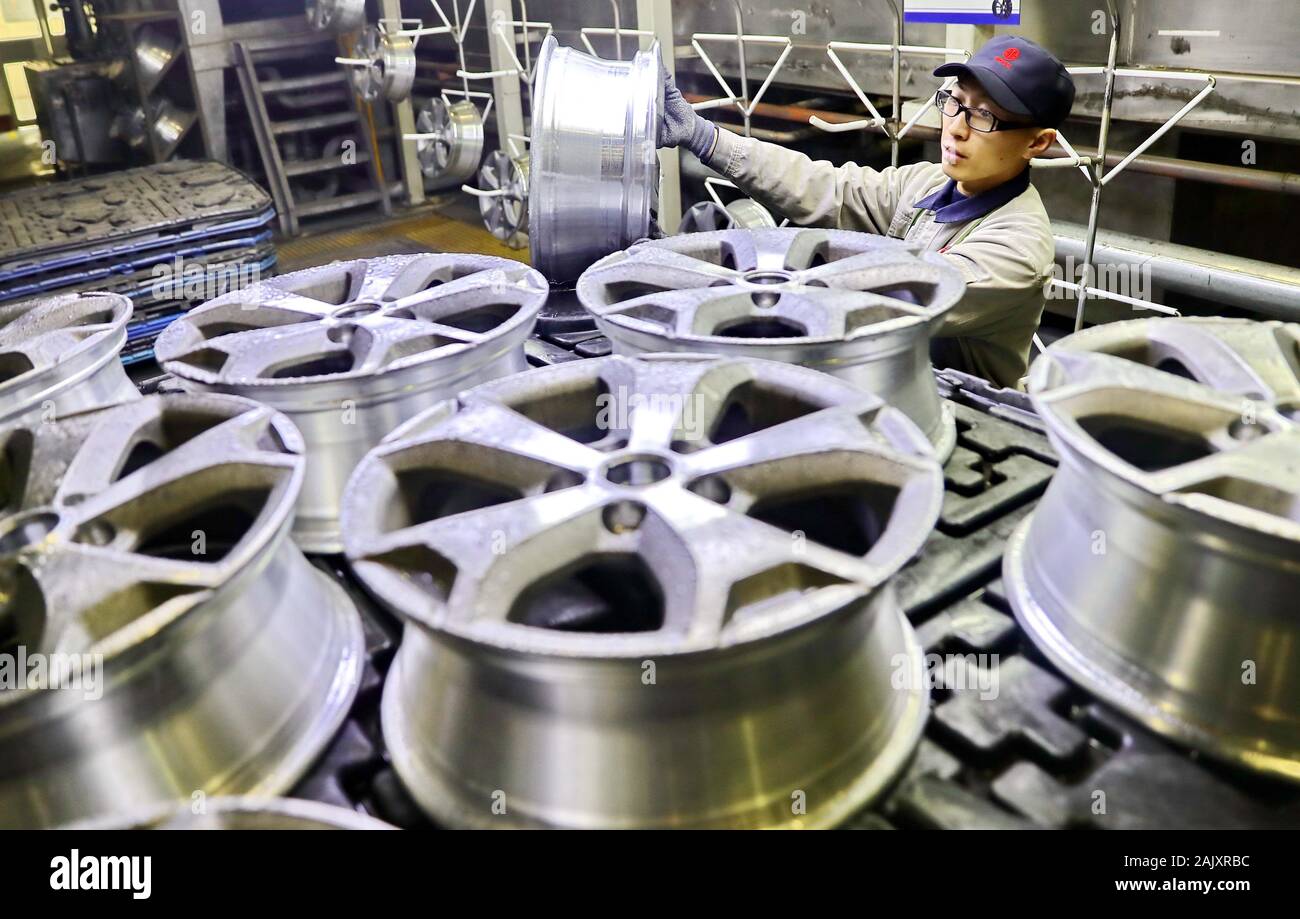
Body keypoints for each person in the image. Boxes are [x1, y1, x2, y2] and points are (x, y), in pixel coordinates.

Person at [658, 36, 1076, 389]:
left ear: (1037, 143)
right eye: (955, 102)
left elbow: (899, 296)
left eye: (985, 115)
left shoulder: (1017, 246)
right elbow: (829, 188)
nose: (957, 128)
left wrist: (739, 283)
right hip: (887, 381)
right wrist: (706, 138)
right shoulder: (926, 182)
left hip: (960, 413)